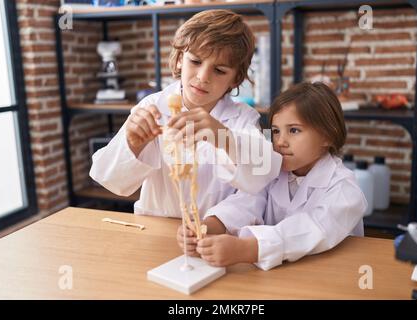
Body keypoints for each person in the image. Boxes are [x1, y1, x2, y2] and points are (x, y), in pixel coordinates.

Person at [90, 9, 281, 217]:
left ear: (235, 79)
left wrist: (223, 136)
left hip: (214, 237)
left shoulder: (244, 118)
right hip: (158, 226)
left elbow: (263, 176)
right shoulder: (153, 106)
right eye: (196, 61)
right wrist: (133, 144)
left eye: (219, 70)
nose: (202, 76)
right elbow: (109, 179)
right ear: (180, 58)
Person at [178, 82, 367, 270]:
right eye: (276, 131)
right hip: (283, 276)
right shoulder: (275, 171)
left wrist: (248, 249)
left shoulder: (344, 189)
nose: (280, 142)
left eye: (294, 130)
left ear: (328, 135)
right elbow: (245, 202)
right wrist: (207, 226)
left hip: (330, 275)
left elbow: (313, 230)